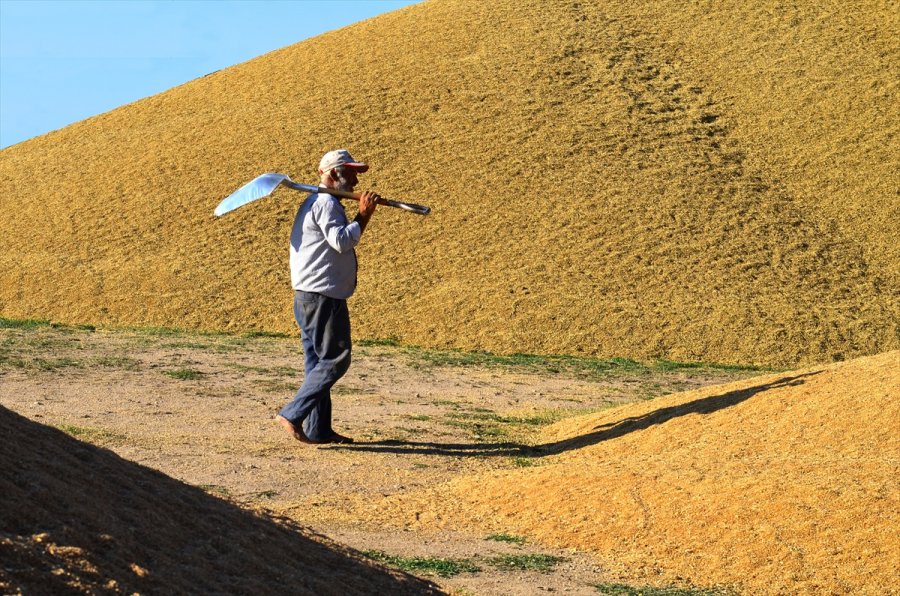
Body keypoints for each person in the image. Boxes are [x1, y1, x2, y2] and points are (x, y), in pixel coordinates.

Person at [275, 149, 380, 444]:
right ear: (333, 174)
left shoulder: (318, 202)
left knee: (317, 364)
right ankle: (292, 414)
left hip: (310, 295)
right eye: (351, 173)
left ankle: (318, 429)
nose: (356, 179)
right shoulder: (325, 204)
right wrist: (364, 215)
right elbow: (341, 242)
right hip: (322, 296)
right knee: (336, 359)